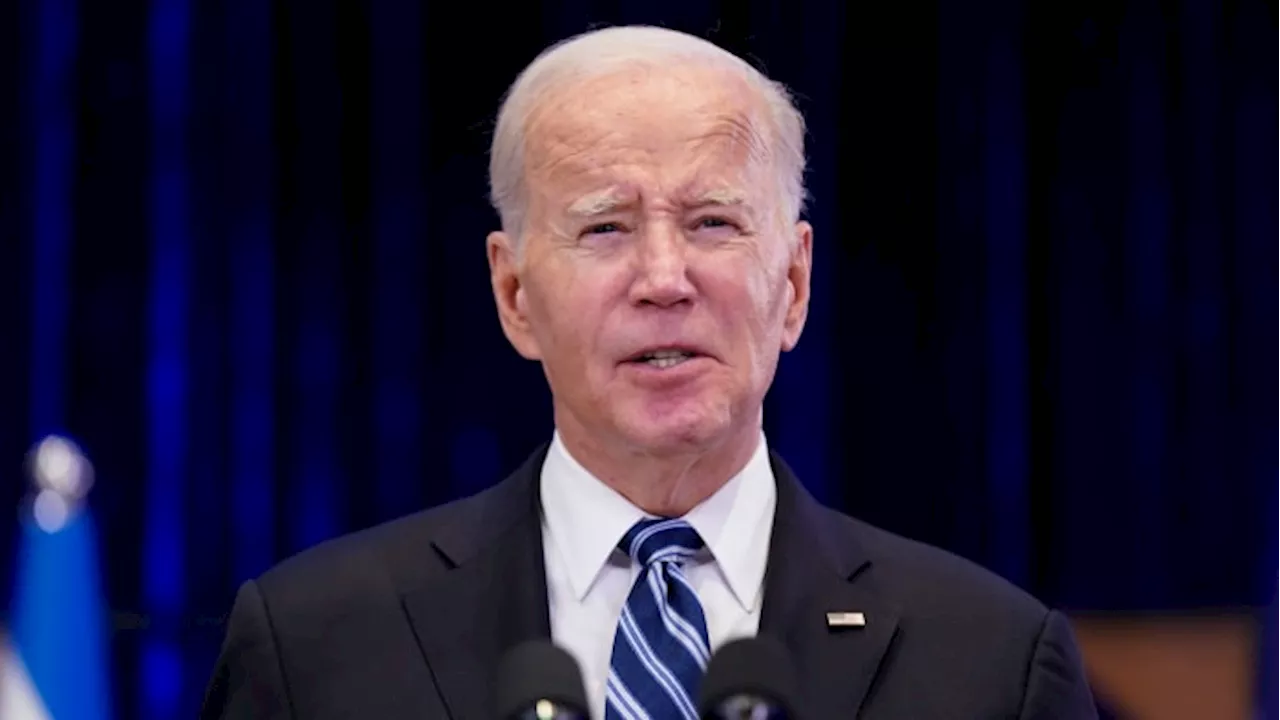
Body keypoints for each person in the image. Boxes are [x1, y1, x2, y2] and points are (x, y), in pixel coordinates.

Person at [202, 25, 1098, 720]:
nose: (665, 279)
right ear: (514, 294)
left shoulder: (989, 660)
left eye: (713, 222)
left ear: (792, 283)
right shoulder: (317, 644)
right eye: (605, 228)